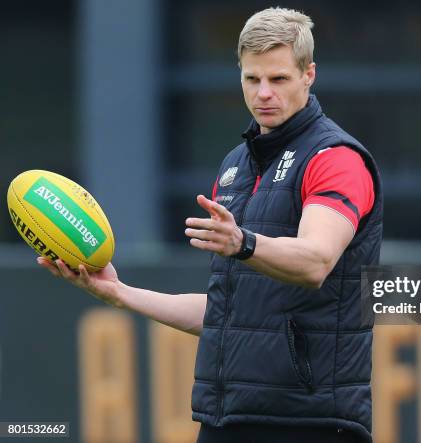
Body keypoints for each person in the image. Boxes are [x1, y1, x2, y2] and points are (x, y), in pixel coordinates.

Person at [38, 7, 382, 443]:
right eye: (251, 79)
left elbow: (316, 261)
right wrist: (120, 293)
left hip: (310, 422)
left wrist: (243, 242)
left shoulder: (335, 158)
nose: (263, 94)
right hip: (227, 418)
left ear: (308, 74)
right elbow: (226, 315)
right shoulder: (236, 166)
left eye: (278, 79)